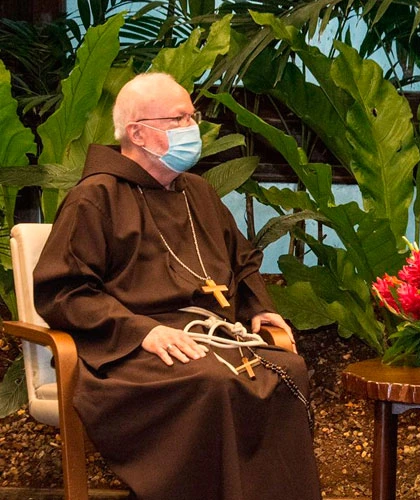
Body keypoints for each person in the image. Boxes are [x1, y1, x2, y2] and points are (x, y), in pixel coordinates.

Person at [33, 72, 322, 500]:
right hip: (129, 350)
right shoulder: (94, 198)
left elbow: (241, 262)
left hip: (208, 337)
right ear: (137, 133)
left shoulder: (198, 192)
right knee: (212, 382)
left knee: (289, 369)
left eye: (192, 117)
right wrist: (142, 332)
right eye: (179, 119)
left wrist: (259, 308)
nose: (193, 129)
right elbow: (64, 291)